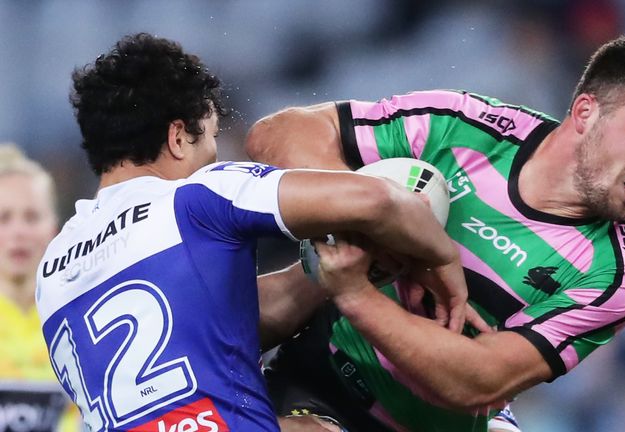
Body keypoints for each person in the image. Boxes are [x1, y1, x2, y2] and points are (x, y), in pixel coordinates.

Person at [245, 34, 625, 431]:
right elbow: (277, 134)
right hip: (321, 376)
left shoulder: (622, 274)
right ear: (586, 112)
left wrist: (354, 291)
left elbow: (480, 381)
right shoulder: (464, 126)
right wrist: (385, 221)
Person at [35, 33, 470, 432]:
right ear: (178, 137)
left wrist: (338, 271)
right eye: (210, 139)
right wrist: (442, 257)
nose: (212, 156)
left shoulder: (52, 268)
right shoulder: (196, 197)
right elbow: (380, 201)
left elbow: (211, 326)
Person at [0, 144, 79, 432]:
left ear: (54, 230)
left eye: (31, 217)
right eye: (4, 218)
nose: (18, 232)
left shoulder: (77, 320)